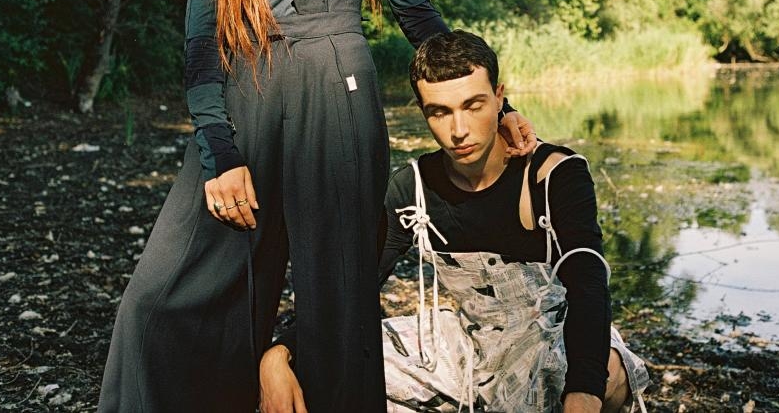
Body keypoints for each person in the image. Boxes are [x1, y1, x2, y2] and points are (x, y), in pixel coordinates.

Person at [96, 0, 535, 411]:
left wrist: (497, 108)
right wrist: (220, 156)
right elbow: (200, 45)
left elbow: (416, 14)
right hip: (245, 101)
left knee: (337, 303)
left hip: (337, 101)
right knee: (157, 300)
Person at [260, 31, 650, 413]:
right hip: (468, 344)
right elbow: (355, 287)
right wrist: (280, 353)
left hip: (554, 339)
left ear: (500, 98)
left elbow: (587, 279)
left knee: (609, 372)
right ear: (423, 111)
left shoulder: (553, 173)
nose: (458, 130)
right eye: (440, 112)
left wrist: (583, 393)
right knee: (329, 366)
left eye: (473, 105)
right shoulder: (413, 188)